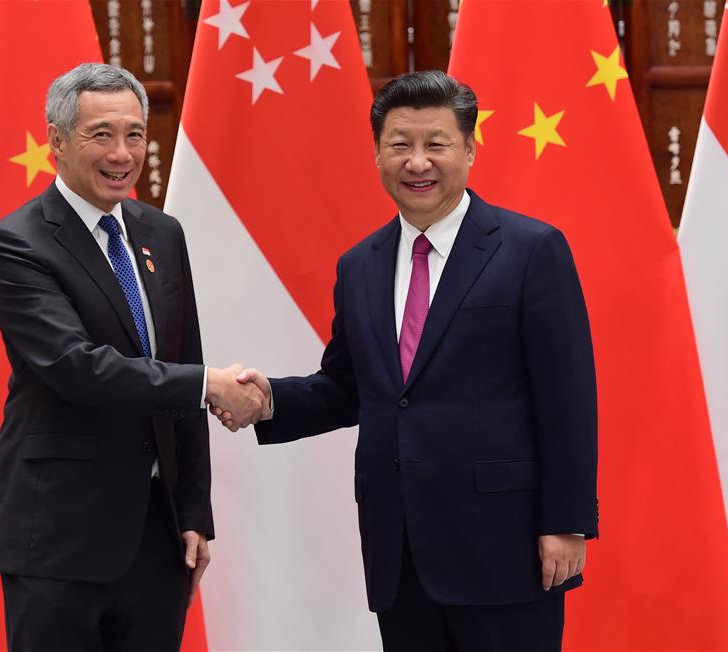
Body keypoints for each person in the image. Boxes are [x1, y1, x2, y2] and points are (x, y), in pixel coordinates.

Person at [214, 70, 598, 651]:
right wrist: (269, 399)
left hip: (506, 546)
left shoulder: (530, 250)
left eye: (435, 144)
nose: (417, 162)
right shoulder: (359, 265)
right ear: (377, 154)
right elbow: (351, 386)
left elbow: (568, 398)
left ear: (469, 149)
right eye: (400, 145)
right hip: (400, 548)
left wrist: (566, 522)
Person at [0, 63, 264, 652]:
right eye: (100, 134)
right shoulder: (15, 243)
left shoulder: (161, 232)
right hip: (62, 538)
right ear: (56, 141)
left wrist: (193, 511)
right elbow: (76, 368)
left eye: (135, 134)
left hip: (158, 539)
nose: (122, 153)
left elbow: (184, 358)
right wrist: (208, 384)